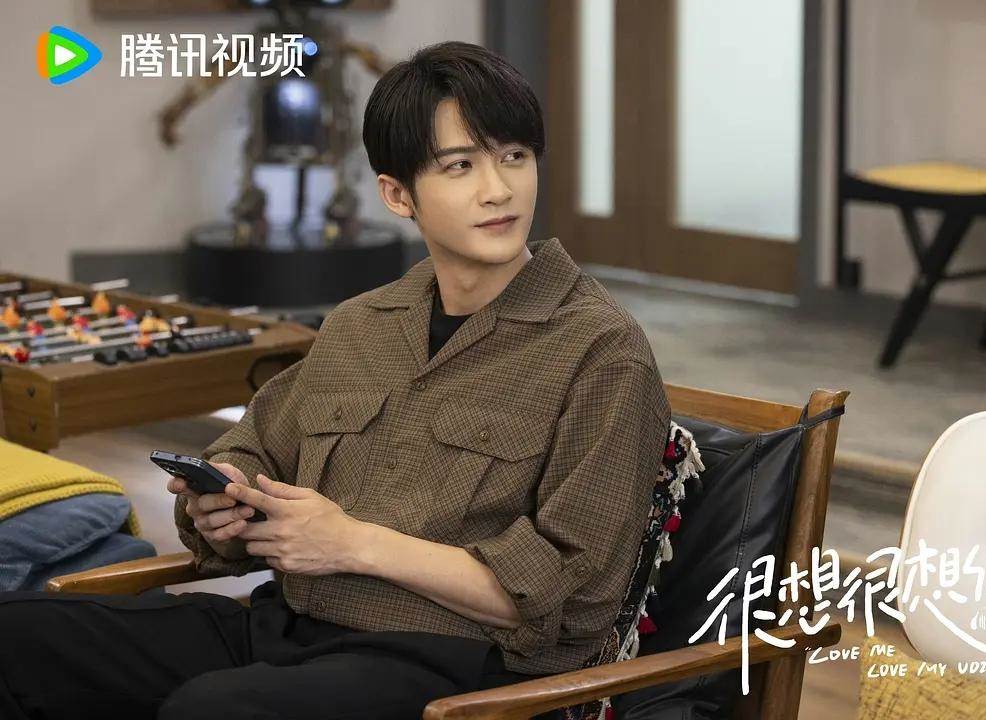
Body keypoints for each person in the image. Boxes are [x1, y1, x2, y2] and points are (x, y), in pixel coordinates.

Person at [0, 41, 670, 720]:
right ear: (397, 194)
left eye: (515, 157)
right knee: (18, 636)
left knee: (216, 710)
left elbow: (574, 600)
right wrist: (222, 505)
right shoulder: (361, 325)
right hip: (285, 629)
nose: (498, 189)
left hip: (452, 670)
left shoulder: (603, 352)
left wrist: (352, 543)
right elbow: (252, 451)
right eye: (460, 165)